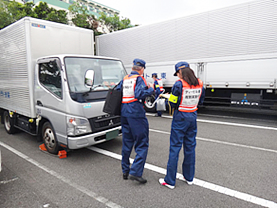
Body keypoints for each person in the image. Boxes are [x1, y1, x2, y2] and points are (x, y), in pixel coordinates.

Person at [159, 61, 205, 189]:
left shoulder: (179, 84)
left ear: (180, 72)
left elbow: (173, 103)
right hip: (192, 116)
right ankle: (189, 177)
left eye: (177, 73)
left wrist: (170, 98)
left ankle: (170, 181)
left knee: (175, 148)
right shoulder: (199, 83)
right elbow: (200, 101)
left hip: (180, 117)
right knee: (190, 147)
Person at [116, 58, 154, 184]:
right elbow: (138, 94)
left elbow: (117, 91)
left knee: (127, 143)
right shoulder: (139, 78)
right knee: (142, 143)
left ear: (133, 67)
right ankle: (136, 172)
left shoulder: (125, 78)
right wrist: (151, 89)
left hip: (124, 113)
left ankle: (125, 171)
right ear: (142, 69)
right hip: (136, 114)